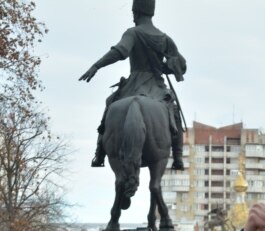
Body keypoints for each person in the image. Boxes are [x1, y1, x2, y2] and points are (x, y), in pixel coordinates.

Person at [80, 0, 186, 169]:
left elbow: (120, 51)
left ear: (136, 13)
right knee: (173, 112)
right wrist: (166, 67)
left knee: (110, 103)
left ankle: (99, 153)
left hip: (134, 84)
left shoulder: (133, 33)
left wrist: (96, 65)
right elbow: (182, 65)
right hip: (156, 88)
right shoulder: (165, 39)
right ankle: (178, 156)